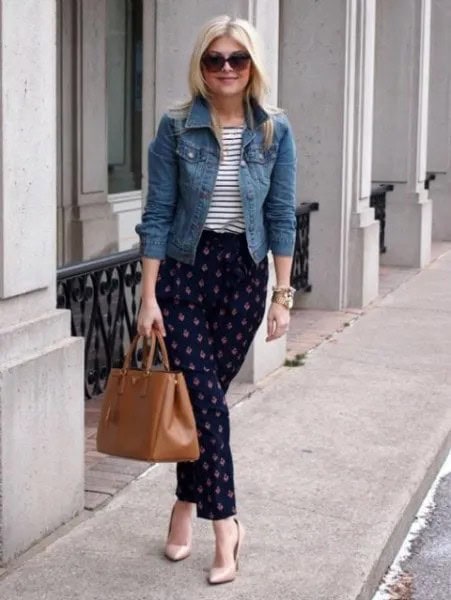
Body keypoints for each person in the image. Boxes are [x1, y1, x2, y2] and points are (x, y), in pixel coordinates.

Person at [135, 14, 296, 585]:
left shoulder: (274, 130)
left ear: (252, 66)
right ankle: (226, 527)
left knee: (203, 403)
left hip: (243, 277)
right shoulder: (177, 128)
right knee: (206, 403)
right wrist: (147, 296)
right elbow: (155, 214)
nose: (226, 69)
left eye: (237, 59)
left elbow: (280, 216)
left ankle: (183, 503)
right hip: (184, 271)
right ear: (201, 67)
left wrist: (282, 296)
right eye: (214, 60)